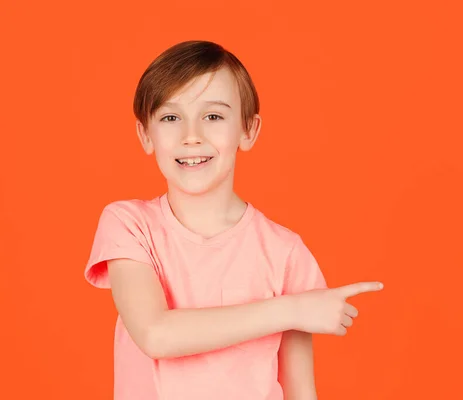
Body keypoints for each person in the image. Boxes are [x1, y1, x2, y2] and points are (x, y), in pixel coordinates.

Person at [84, 40, 384, 400]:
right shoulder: (129, 225)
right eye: (170, 117)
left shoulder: (285, 252)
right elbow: (155, 334)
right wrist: (292, 309)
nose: (191, 136)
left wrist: (296, 309)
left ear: (248, 130)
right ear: (146, 135)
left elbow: (300, 391)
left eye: (213, 116)